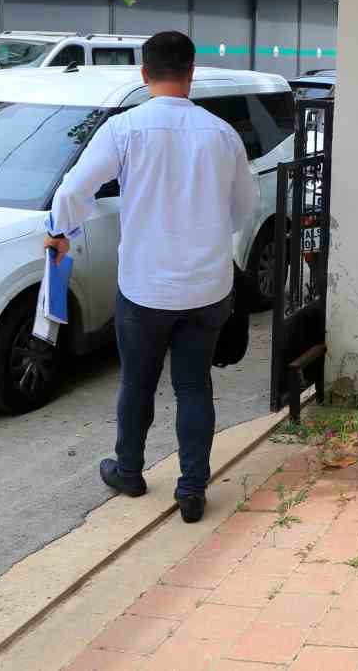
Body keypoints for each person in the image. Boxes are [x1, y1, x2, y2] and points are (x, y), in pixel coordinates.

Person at [45, 30, 257, 522]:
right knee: (194, 385)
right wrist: (206, 234)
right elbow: (244, 210)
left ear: (144, 74)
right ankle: (191, 488)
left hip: (144, 287)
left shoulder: (124, 129)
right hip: (207, 287)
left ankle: (129, 472)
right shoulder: (222, 134)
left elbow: (75, 189)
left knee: (137, 384)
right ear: (191, 73)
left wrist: (59, 231)